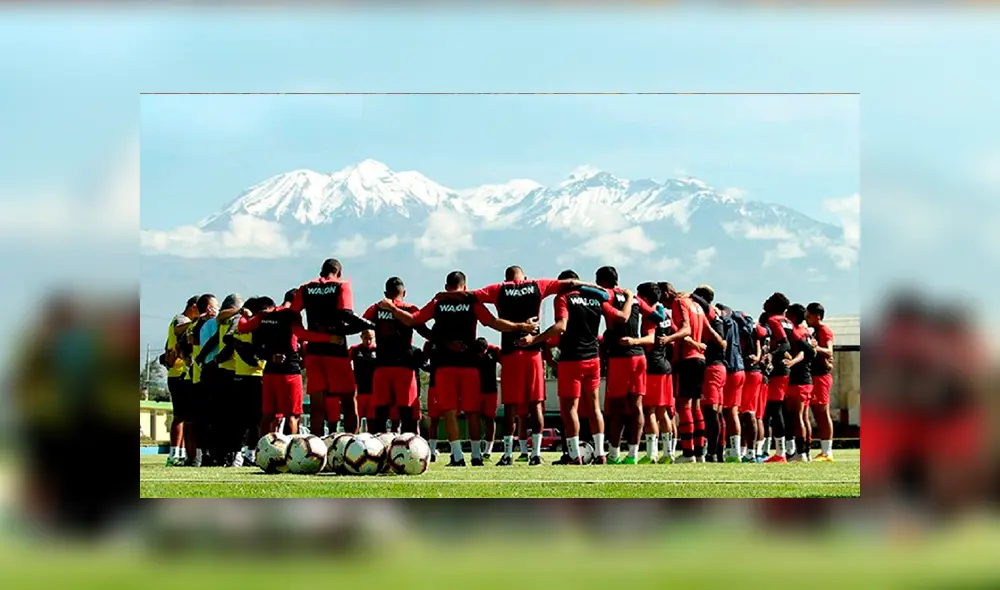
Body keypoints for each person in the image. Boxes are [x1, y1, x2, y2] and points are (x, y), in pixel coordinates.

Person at [434, 265, 602, 467]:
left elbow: (468, 296)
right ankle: (536, 455)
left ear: (506, 279)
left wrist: (443, 295)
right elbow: (571, 283)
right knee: (536, 405)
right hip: (534, 353)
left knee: (511, 407)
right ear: (525, 276)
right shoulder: (537, 285)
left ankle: (508, 455)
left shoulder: (498, 289)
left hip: (511, 353)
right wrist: (591, 285)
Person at [378, 270, 538, 467]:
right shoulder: (471, 302)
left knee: (450, 411)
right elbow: (494, 323)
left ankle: (458, 456)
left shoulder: (438, 302)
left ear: (447, 286)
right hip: (470, 366)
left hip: (446, 367)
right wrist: (522, 326)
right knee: (473, 413)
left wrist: (391, 308)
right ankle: (477, 456)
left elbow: (413, 320)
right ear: (465, 286)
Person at [518, 269, 630, 466]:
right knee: (595, 408)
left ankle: (573, 454)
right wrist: (629, 298)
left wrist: (534, 339)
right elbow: (620, 317)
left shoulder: (563, 297)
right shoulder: (596, 299)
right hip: (593, 358)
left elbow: (561, 326)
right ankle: (601, 454)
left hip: (572, 359)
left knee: (570, 409)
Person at [289, 258, 375, 437]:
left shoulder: (305, 288)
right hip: (336, 352)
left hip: (313, 353)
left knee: (317, 406)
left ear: (321, 272)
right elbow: (347, 314)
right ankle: (352, 447)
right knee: (349, 401)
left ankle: (316, 452)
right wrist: (371, 325)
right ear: (339, 273)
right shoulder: (342, 285)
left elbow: (291, 316)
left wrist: (313, 336)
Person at [240, 290, 333, 436]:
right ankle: (293, 455)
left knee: (267, 416)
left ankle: (262, 451)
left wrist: (244, 316)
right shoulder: (292, 315)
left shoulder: (265, 314)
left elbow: (243, 327)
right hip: (289, 372)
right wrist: (329, 338)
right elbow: (302, 335)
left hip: (269, 373)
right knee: (293, 416)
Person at [363, 277, 433, 435]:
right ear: (404, 292)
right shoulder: (410, 308)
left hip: (382, 367)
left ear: (385, 293)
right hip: (404, 368)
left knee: (380, 413)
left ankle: (378, 452)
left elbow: (360, 323)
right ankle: (408, 451)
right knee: (407, 413)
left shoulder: (376, 308)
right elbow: (425, 331)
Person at [595, 266, 649, 465]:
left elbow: (622, 318)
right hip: (639, 357)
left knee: (616, 408)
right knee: (636, 406)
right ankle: (633, 454)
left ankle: (614, 453)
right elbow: (655, 314)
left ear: (603, 281)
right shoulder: (635, 298)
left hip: (621, 358)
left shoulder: (606, 296)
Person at [634, 282, 682, 464]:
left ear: (645, 299)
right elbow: (677, 333)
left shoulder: (649, 318)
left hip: (653, 366)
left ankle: (651, 453)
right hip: (666, 366)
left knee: (650, 411)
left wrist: (633, 341)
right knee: (664, 412)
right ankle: (668, 453)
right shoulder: (665, 315)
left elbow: (650, 340)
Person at [659, 283, 700, 463]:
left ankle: (688, 453)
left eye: (662, 298)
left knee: (684, 406)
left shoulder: (678, 302)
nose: (663, 303)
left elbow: (685, 330)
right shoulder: (695, 304)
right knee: (696, 407)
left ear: (667, 293)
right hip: (699, 358)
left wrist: (668, 338)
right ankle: (699, 453)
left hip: (686, 359)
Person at [229, 297, 267, 465]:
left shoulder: (239, 327)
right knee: (255, 420)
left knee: (238, 420)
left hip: (238, 375)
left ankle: (236, 456)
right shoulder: (256, 328)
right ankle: (251, 455)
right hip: (255, 375)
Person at [691, 286, 727, 462]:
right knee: (717, 413)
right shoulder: (717, 315)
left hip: (713, 367)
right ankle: (718, 452)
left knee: (711, 412)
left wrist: (690, 296)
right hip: (720, 368)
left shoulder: (711, 312)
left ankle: (712, 452)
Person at [162, 296, 198, 466]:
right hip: (180, 373)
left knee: (182, 416)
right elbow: (178, 330)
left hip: (177, 374)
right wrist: (197, 322)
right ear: (193, 306)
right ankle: (174, 454)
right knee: (181, 416)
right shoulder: (181, 320)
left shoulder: (177, 320)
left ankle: (179, 453)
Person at [211, 294, 245, 466]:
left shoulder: (223, 320)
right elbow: (231, 343)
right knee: (234, 418)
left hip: (223, 372)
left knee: (223, 418)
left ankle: (223, 455)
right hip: (233, 371)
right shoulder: (235, 319)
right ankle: (233, 455)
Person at [185, 293, 218, 467]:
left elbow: (184, 344)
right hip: (203, 375)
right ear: (208, 308)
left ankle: (194, 457)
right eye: (215, 305)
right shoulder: (204, 324)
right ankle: (202, 456)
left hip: (196, 375)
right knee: (205, 420)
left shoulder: (194, 323)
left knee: (198, 420)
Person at [761, 293, 793, 463]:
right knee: (776, 409)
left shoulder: (774, 320)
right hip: (783, 368)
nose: (764, 302)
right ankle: (782, 451)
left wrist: (772, 355)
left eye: (767, 300)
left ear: (774, 305)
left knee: (774, 409)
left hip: (778, 369)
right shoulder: (787, 321)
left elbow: (785, 343)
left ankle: (780, 453)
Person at [783, 303, 816, 462]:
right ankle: (806, 452)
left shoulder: (797, 332)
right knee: (804, 417)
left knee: (798, 417)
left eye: (788, 313)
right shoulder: (806, 332)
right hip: (806, 379)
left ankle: (801, 453)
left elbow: (804, 352)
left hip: (799, 380)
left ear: (794, 316)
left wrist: (792, 362)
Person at [714, 302, 746, 463]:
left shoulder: (722, 321)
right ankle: (733, 450)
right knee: (732, 412)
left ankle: (732, 451)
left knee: (726, 412)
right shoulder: (734, 321)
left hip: (731, 369)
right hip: (739, 367)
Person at [734, 310, 767, 462]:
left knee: (746, 413)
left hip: (747, 372)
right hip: (757, 372)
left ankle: (747, 452)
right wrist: (757, 358)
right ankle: (752, 452)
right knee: (752, 414)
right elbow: (759, 349)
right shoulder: (755, 331)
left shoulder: (740, 331)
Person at [805, 302, 836, 461]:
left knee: (822, 413)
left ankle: (828, 451)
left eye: (809, 316)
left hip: (821, 377)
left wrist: (815, 347)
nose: (806, 319)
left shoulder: (824, 331)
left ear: (817, 316)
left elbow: (829, 350)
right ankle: (823, 450)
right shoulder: (814, 331)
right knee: (816, 413)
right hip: (814, 376)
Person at [474, 337, 501, 459]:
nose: (481, 355)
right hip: (476, 391)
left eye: (482, 352)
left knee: (490, 419)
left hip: (491, 390)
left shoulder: (494, 351)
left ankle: (488, 450)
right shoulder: (471, 352)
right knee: (476, 419)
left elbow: (505, 361)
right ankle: (476, 448)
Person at [349, 329, 377, 433]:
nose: (368, 341)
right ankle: (353, 440)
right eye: (366, 338)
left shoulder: (377, 350)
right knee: (356, 418)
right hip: (359, 389)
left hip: (373, 390)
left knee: (372, 420)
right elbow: (345, 363)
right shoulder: (355, 349)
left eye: (370, 339)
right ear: (361, 337)